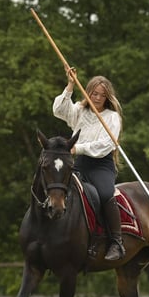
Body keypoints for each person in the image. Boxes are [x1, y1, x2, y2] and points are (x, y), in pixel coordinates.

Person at [53, 68, 125, 261]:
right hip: (80, 164)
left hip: (101, 165)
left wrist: (79, 148)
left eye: (102, 95)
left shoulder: (112, 117)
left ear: (107, 97)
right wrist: (70, 85)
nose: (97, 97)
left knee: (104, 193)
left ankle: (116, 242)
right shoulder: (79, 111)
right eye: (94, 93)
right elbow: (59, 110)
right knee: (59, 190)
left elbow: (106, 145)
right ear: (88, 92)